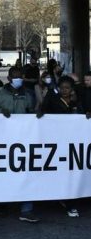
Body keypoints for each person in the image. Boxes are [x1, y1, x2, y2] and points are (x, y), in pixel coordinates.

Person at [0, 67, 38, 223]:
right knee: (4, 172)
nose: (18, 80)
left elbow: (31, 112)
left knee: (26, 172)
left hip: (23, 139)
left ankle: (26, 209)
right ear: (8, 78)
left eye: (20, 77)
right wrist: (1, 112)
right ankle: (2, 204)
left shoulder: (27, 94)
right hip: (4, 140)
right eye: (15, 77)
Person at [38, 75, 83, 217]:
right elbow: (44, 108)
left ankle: (71, 203)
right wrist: (41, 112)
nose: (64, 90)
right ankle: (56, 197)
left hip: (72, 141)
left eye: (67, 88)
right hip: (55, 140)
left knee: (71, 172)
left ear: (72, 89)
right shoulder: (52, 95)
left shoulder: (77, 98)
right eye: (62, 87)